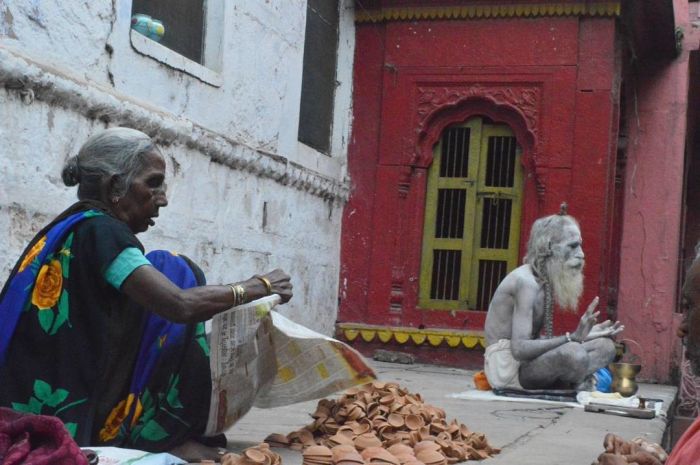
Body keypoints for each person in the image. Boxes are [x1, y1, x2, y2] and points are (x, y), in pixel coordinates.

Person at [0, 127, 293, 460]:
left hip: (29, 401)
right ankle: (157, 435)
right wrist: (259, 286)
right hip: (67, 418)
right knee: (180, 276)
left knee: (170, 268)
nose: (163, 198)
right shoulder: (102, 231)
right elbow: (179, 305)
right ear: (114, 187)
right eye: (153, 184)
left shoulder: (71, 227)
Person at [483, 204, 623, 390]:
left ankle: (574, 382)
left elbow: (536, 342)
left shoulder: (544, 278)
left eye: (580, 245)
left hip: (527, 363)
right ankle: (577, 383)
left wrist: (584, 336)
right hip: (507, 369)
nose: (581, 254)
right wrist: (571, 338)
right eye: (572, 246)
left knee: (606, 347)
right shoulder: (525, 282)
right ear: (549, 247)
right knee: (574, 353)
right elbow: (519, 350)